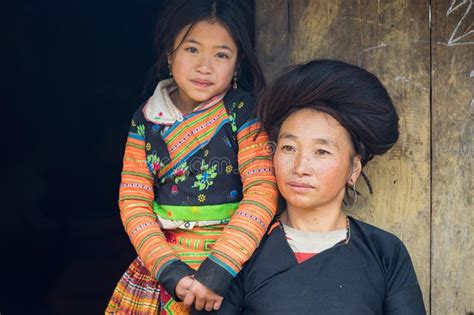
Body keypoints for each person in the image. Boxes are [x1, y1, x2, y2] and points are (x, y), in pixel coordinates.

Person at [208, 59, 426, 314]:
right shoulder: (240, 251)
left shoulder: (385, 253)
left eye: (321, 152)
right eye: (289, 148)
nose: (300, 167)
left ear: (354, 168)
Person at [106, 1, 278, 314]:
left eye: (221, 54)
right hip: (165, 266)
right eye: (192, 49)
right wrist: (169, 270)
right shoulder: (146, 120)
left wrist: (218, 270)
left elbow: (263, 192)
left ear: (237, 64)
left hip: (235, 263)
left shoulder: (243, 112)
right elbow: (133, 201)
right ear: (170, 54)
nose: (205, 66)